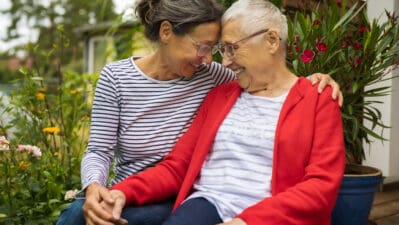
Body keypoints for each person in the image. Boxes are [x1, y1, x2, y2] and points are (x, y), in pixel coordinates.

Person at [56, 0, 342, 224]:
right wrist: (114, 190)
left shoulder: (313, 98)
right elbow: (174, 164)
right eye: (216, 49)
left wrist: (244, 222)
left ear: (270, 40)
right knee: (78, 215)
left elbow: (320, 184)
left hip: (263, 211)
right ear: (166, 32)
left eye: (228, 49)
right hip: (198, 200)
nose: (220, 61)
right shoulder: (220, 92)